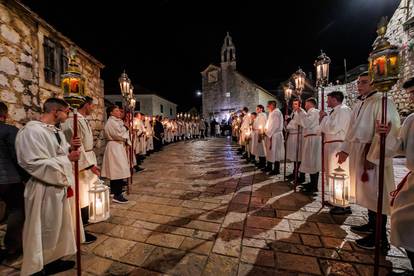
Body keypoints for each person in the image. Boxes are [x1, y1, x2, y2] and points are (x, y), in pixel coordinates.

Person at [16, 98, 80, 275]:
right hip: (42, 187)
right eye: (66, 112)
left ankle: (52, 259)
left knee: (57, 227)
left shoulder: (54, 130)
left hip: (57, 185)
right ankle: (36, 267)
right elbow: (32, 163)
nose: (67, 115)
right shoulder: (32, 132)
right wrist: (67, 159)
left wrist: (70, 149)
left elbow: (58, 151)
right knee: (41, 228)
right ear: (55, 111)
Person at [337, 71, 400, 251]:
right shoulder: (359, 103)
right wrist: (345, 150)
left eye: (363, 82)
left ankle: (380, 238)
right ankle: (372, 225)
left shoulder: (383, 101)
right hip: (359, 151)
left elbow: (389, 130)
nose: (359, 85)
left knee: (376, 194)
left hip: (371, 154)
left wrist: (374, 156)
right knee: (367, 193)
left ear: (374, 83)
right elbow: (351, 130)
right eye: (358, 82)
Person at [377, 77, 414, 276]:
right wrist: (386, 134)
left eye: (413, 94)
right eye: (410, 95)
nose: (411, 99)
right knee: (401, 220)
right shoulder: (411, 119)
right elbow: (398, 147)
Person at [62, 96, 99, 244]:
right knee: (80, 194)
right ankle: (80, 229)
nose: (93, 109)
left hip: (88, 157)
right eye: (92, 106)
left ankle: (84, 223)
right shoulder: (73, 121)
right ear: (86, 105)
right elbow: (77, 146)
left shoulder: (81, 119)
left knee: (86, 192)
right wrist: (89, 164)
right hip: (81, 161)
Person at [0, 102, 27, 262]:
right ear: (5, 115)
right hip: (8, 179)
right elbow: (18, 157)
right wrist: (26, 177)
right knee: (16, 211)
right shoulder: (9, 131)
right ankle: (12, 247)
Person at [319, 91, 352, 215]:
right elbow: (325, 128)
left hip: (338, 145)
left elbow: (333, 128)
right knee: (332, 174)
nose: (326, 102)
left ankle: (343, 204)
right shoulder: (335, 111)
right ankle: (335, 199)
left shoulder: (343, 110)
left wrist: (324, 118)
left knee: (339, 174)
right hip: (331, 145)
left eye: (328, 99)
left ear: (334, 99)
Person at [101, 105, 131, 203]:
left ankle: (115, 191)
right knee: (117, 169)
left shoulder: (117, 121)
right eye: (117, 111)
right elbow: (118, 135)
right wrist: (126, 128)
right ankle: (117, 195)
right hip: (114, 146)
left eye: (119, 110)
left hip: (118, 146)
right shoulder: (111, 122)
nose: (119, 112)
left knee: (117, 169)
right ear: (111, 113)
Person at [296, 97, 321, 193]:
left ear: (310, 103)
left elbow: (307, 123)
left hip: (313, 139)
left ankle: (314, 186)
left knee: (312, 161)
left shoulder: (314, 111)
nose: (305, 106)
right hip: (309, 138)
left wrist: (301, 112)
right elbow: (302, 122)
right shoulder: (310, 112)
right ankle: (312, 183)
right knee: (310, 162)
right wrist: (299, 113)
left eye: (306, 104)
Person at [263, 101, 284, 176]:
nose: (267, 107)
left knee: (275, 152)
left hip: (274, 135)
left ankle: (276, 169)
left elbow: (274, 125)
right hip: (271, 134)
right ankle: (269, 166)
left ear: (272, 105)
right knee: (270, 152)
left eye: (268, 106)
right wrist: (265, 129)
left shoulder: (276, 113)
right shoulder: (272, 113)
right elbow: (269, 124)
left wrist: (267, 132)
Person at [286, 99, 305, 183]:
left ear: (300, 105)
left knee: (298, 156)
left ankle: (300, 175)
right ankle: (294, 172)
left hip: (298, 135)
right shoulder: (293, 112)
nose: (294, 105)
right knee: (294, 156)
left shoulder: (301, 112)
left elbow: (298, 123)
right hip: (292, 135)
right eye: (293, 104)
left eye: (296, 104)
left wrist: (289, 121)